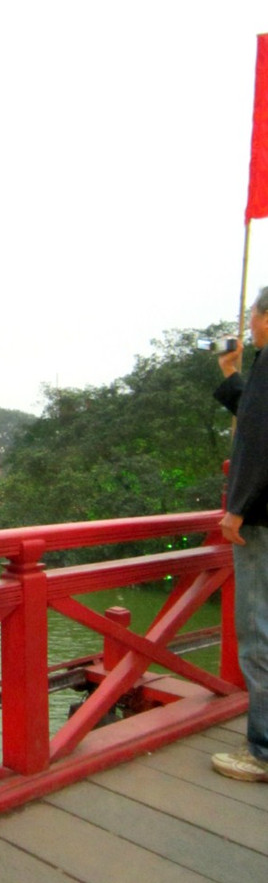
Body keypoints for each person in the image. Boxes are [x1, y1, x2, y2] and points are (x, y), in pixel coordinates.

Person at [211, 286, 268, 782]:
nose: (249, 325)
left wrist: (237, 508)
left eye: (252, 315)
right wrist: (231, 373)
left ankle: (263, 750)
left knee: (257, 632)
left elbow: (256, 440)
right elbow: (254, 413)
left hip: (262, 520)